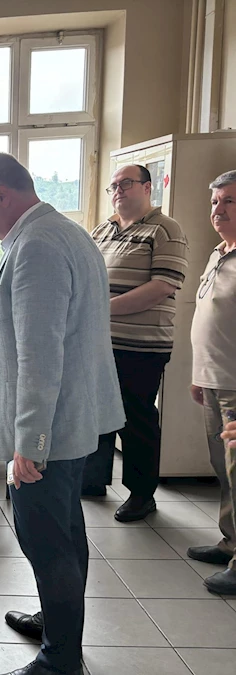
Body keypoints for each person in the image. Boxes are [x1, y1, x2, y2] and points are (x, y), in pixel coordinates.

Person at [0, 153, 124, 675]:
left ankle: (60, 659)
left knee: (47, 539)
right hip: (72, 419)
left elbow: (40, 354)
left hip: (49, 429)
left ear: (2, 194)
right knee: (64, 531)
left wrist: (30, 444)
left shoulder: (37, 246)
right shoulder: (64, 232)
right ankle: (57, 622)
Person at [82, 164, 189, 521]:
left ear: (147, 187)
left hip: (141, 344)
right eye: (113, 185)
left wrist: (102, 309)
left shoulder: (165, 229)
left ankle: (142, 495)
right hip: (101, 341)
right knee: (97, 411)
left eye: (126, 184)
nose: (118, 191)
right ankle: (92, 479)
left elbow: (162, 286)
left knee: (135, 419)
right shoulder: (103, 229)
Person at [187, 170, 236, 595]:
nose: (218, 210)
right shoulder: (219, 253)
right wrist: (198, 373)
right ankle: (231, 542)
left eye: (229, 201)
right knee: (223, 469)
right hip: (213, 379)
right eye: (215, 202)